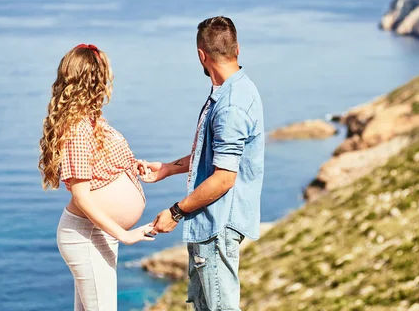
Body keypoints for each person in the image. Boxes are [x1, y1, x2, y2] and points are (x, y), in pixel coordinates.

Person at [143, 17, 265, 311]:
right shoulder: (235, 90)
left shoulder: (231, 105)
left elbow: (224, 178)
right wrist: (169, 168)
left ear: (202, 55)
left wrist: (175, 212)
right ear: (237, 48)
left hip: (216, 226)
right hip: (211, 225)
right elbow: (214, 156)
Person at [38, 44, 155, 311]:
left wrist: (131, 168)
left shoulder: (91, 122)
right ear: (94, 80)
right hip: (87, 235)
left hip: (96, 234)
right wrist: (125, 236)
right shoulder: (78, 128)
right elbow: (81, 196)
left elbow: (99, 168)